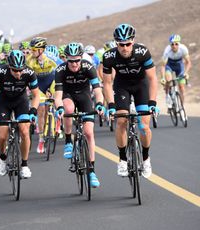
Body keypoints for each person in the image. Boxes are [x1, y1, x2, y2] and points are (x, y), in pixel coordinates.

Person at [103, 24, 159, 179]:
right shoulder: (109, 56)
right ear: (116, 43)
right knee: (121, 121)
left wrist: (153, 103)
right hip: (122, 86)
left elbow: (153, 78)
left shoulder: (142, 52)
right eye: (121, 44)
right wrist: (111, 105)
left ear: (133, 41)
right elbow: (107, 83)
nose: (125, 48)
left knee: (144, 126)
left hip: (141, 85)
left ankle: (146, 159)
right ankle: (122, 159)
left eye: (128, 44)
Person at [55, 42, 104, 187]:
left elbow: (97, 90)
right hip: (67, 95)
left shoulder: (89, 67)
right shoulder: (61, 70)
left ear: (81, 58)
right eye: (71, 61)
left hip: (84, 96)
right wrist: (59, 108)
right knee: (68, 109)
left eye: (77, 60)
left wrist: (100, 104)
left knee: (89, 133)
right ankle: (69, 141)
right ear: (66, 59)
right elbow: (58, 96)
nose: (75, 64)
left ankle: (92, 171)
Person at [0, 50, 40, 178]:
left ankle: (24, 165)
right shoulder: (0, 72)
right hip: (4, 102)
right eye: (15, 70)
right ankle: (2, 157)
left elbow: (36, 95)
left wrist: (33, 111)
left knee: (24, 131)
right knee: (2, 135)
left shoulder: (29, 73)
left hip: (20, 101)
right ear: (9, 67)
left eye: (20, 70)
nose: (18, 73)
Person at [26, 37, 57, 154]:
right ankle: (41, 139)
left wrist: (55, 90)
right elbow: (27, 77)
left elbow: (60, 72)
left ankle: (56, 121)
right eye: (31, 49)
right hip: (38, 84)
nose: (31, 52)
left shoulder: (51, 58)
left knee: (55, 100)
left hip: (51, 81)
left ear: (41, 50)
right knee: (41, 109)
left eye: (34, 50)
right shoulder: (30, 60)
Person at [160, 34, 192, 107]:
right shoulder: (167, 50)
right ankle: (168, 96)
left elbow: (188, 62)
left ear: (179, 44)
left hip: (179, 65)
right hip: (169, 65)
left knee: (182, 88)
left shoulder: (183, 49)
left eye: (176, 44)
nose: (174, 46)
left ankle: (182, 107)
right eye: (172, 44)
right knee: (168, 80)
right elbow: (162, 66)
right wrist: (162, 78)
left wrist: (186, 73)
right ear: (170, 44)